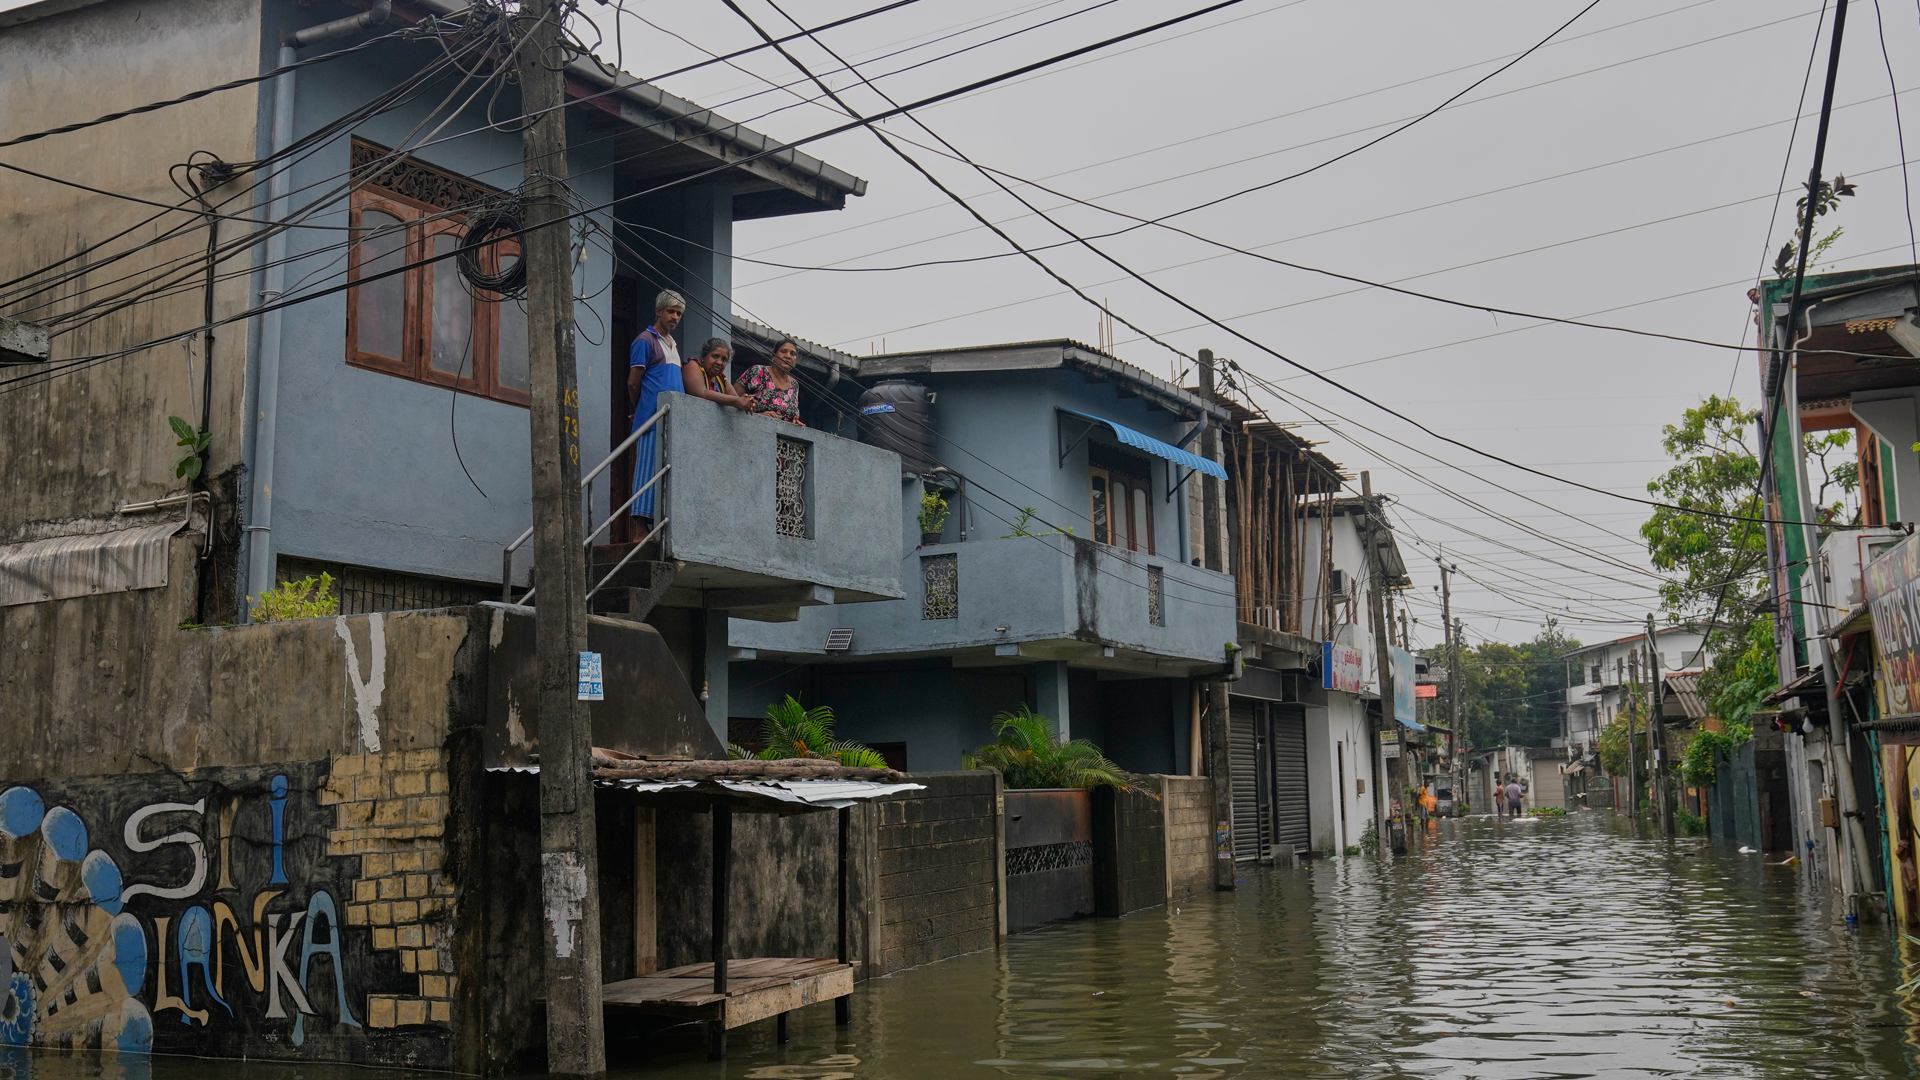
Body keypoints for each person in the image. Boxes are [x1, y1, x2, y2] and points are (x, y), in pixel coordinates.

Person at [628, 290, 685, 530]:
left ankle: (659, 528)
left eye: (679, 313)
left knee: (666, 471)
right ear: (658, 311)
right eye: (671, 311)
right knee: (646, 471)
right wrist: (639, 407)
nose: (675, 317)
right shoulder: (645, 340)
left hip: (672, 419)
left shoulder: (673, 344)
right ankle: (639, 530)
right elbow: (633, 382)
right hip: (652, 418)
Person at [737, 338, 805, 425]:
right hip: (754, 430)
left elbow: (789, 415)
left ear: (795, 361)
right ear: (773, 356)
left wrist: (794, 423)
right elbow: (731, 400)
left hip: (781, 437)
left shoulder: (794, 384)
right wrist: (757, 417)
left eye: (792, 354)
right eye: (783, 351)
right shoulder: (758, 372)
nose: (788, 356)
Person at [680, 337, 756, 412]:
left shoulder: (721, 379)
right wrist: (738, 401)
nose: (719, 362)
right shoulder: (692, 365)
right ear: (703, 356)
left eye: (724, 360)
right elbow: (702, 393)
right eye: (715, 356)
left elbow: (735, 398)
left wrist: (747, 401)